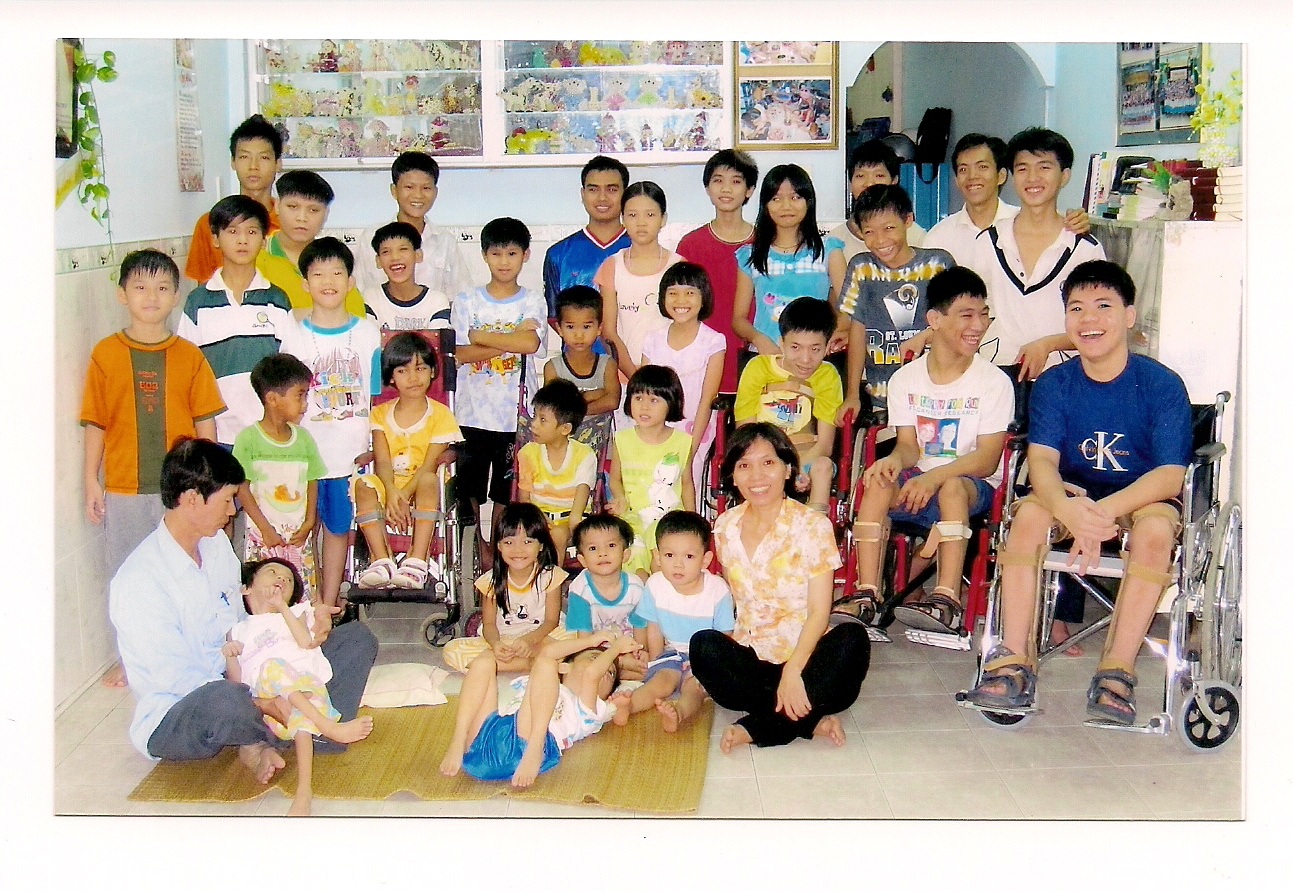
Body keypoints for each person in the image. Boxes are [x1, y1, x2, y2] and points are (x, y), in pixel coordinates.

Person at [962, 260, 1191, 726]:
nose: (1089, 319)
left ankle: (1116, 673)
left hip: (1140, 498)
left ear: (1129, 316)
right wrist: (1068, 510)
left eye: (1104, 306)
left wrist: (1099, 513)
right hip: (1069, 494)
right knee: (1027, 517)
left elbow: (1170, 476)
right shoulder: (1054, 384)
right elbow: (1042, 462)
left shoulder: (1162, 385)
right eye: (1077, 308)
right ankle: (1013, 662)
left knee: (1154, 534)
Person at [109, 438, 377, 785]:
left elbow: (245, 625)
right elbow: (174, 679)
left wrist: (305, 633)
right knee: (226, 698)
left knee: (357, 640)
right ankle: (283, 729)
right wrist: (262, 700)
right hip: (185, 707)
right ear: (192, 499)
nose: (232, 511)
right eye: (226, 500)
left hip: (246, 676)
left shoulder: (216, 545)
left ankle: (282, 730)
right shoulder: (139, 581)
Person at [837, 266, 1014, 634]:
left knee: (952, 488)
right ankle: (867, 594)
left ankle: (946, 599)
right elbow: (908, 447)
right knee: (878, 482)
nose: (978, 325)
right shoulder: (906, 378)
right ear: (934, 320)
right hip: (919, 479)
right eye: (966, 315)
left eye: (983, 315)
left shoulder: (994, 382)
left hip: (971, 486)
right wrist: (891, 461)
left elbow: (986, 460)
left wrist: (934, 478)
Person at [81, 249, 226, 687]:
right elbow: (95, 423)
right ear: (122, 294)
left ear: (175, 296)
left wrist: (209, 483)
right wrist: (90, 480)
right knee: (127, 575)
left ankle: (193, 650)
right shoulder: (106, 353)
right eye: (140, 287)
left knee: (183, 569)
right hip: (124, 486)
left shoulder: (189, 355)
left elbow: (205, 424)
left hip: (182, 494)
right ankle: (132, 660)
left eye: (163, 288)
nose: (151, 296)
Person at [691, 423, 870, 750]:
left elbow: (819, 612)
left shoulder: (812, 526)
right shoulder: (726, 526)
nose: (756, 476)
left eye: (768, 463)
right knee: (703, 645)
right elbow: (738, 603)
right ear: (733, 476)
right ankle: (808, 720)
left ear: (788, 469)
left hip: (807, 661)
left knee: (852, 639)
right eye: (744, 465)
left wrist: (792, 673)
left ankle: (761, 726)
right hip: (755, 664)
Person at [223, 558, 374, 815]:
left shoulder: (297, 613)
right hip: (270, 708)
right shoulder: (238, 631)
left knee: (301, 713)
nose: (281, 579)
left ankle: (303, 792)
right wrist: (230, 656)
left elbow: (305, 641)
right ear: (246, 589)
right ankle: (327, 728)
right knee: (273, 666)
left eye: (289, 580)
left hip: (303, 694)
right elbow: (238, 685)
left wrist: (284, 608)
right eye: (272, 572)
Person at [278, 237, 382, 606]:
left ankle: (329, 601)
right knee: (303, 529)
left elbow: (376, 395)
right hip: (304, 455)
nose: (328, 281)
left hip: (350, 455)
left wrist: (374, 446)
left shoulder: (368, 331)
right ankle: (305, 603)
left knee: (338, 529)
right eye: (318, 274)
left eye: (337, 273)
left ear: (350, 281)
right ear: (304, 283)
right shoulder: (293, 335)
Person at [973, 128, 1105, 383]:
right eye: (1022, 168)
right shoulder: (988, 242)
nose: (1032, 177)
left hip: (1064, 379)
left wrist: (1047, 344)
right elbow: (973, 311)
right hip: (997, 378)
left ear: (1064, 176)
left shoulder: (1085, 248)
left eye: (1044, 167)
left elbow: (1099, 324)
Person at [439, 630, 644, 788]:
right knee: (484, 661)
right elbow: (548, 653)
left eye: (611, 673)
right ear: (565, 667)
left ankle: (534, 748)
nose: (604, 670)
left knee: (545, 664)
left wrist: (615, 650)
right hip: (488, 738)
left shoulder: (589, 706)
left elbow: (592, 674)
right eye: (593, 658)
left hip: (530, 741)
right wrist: (591, 642)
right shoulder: (546, 680)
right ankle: (459, 739)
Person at [451, 216, 546, 550]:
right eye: (496, 254)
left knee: (507, 492)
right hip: (470, 415)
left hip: (514, 418)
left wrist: (481, 336)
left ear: (525, 255)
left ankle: (499, 549)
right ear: (484, 255)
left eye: (512, 253)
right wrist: (510, 340)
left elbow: (530, 344)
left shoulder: (533, 299)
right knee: (469, 489)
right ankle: (479, 550)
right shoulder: (466, 301)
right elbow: (460, 353)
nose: (504, 262)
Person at [177, 195, 292, 447]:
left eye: (252, 231)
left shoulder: (277, 300)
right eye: (232, 231)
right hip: (216, 435)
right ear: (215, 239)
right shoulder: (198, 303)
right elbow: (186, 371)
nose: (242, 240)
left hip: (269, 435)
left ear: (264, 240)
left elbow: (290, 369)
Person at [352, 332, 462, 589]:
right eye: (403, 371)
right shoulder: (379, 414)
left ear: (432, 372)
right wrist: (392, 493)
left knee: (428, 478)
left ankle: (416, 561)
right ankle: (381, 560)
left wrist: (402, 495)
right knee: (363, 485)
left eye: (420, 368)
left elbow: (430, 463)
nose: (413, 377)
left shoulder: (441, 415)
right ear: (391, 377)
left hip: (426, 485)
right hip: (389, 482)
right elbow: (382, 461)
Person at [609, 510, 735, 732]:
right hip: (671, 652)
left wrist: (711, 666)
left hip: (703, 657)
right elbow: (654, 626)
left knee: (693, 688)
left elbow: (725, 636)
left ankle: (679, 713)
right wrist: (655, 659)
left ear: (705, 560)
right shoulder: (656, 585)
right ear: (657, 557)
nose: (678, 565)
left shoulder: (717, 590)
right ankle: (629, 706)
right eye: (669, 555)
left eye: (689, 557)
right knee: (660, 682)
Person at [837, 184, 955, 418]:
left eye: (889, 228)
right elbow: (857, 330)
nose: (880, 240)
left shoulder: (937, 264)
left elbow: (956, 321)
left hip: (936, 395)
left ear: (908, 220)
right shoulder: (861, 267)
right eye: (869, 232)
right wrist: (852, 395)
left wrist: (924, 336)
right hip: (883, 398)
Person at [734, 296, 843, 512]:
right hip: (762, 455)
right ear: (781, 342)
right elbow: (745, 433)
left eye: (815, 349)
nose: (805, 359)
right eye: (795, 347)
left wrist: (798, 467)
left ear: (827, 347)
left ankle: (815, 525)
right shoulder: (758, 368)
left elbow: (825, 444)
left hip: (808, 455)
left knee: (823, 467)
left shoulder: (827, 375)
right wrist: (779, 467)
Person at [924, 133, 1090, 274]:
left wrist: (1076, 221)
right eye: (963, 170)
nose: (972, 176)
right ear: (956, 181)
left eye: (982, 167)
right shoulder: (938, 237)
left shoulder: (1021, 223)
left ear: (1002, 176)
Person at [232, 353, 325, 598]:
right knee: (264, 595)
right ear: (272, 398)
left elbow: (312, 481)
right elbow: (241, 488)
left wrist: (309, 522)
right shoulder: (248, 439)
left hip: (298, 538)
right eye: (299, 395)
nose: (305, 404)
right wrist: (265, 529)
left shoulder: (304, 439)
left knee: (301, 594)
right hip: (263, 538)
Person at [732, 164, 848, 359]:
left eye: (795, 197)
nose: (786, 206)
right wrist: (759, 339)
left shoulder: (828, 250)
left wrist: (830, 336)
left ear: (808, 201)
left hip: (813, 360)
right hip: (767, 358)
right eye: (776, 199)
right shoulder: (750, 256)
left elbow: (850, 308)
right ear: (765, 205)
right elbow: (738, 319)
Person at [442, 502, 571, 673]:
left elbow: (551, 621)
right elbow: (488, 624)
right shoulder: (490, 581)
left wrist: (530, 640)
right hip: (505, 639)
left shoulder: (551, 576)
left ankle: (512, 663)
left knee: (574, 635)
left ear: (541, 546)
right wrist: (496, 644)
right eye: (509, 542)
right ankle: (532, 663)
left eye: (527, 542)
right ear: (499, 546)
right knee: (451, 650)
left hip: (540, 637)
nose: (518, 550)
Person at [676, 149, 759, 395]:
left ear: (749, 190)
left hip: (754, 355)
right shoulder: (690, 245)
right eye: (718, 180)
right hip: (702, 359)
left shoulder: (764, 243)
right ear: (707, 188)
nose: (726, 189)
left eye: (736, 181)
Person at [641, 261, 726, 492]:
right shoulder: (653, 340)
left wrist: (690, 451)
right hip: (654, 430)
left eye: (690, 293)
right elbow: (643, 393)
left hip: (694, 432)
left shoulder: (713, 341)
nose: (681, 301)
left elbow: (708, 399)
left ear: (703, 297)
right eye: (673, 293)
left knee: (686, 490)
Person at [608, 365, 696, 580]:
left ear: (671, 403)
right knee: (635, 561)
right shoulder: (622, 439)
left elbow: (686, 483)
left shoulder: (682, 441)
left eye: (654, 400)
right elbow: (614, 479)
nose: (644, 407)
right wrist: (620, 498)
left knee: (661, 561)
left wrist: (691, 519)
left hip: (668, 521)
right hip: (633, 518)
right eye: (638, 398)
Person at [352, 151, 471, 304]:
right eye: (409, 187)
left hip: (434, 319)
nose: (418, 195)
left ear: (435, 192)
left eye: (426, 188)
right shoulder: (370, 238)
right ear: (394, 190)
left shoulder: (445, 241)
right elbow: (357, 292)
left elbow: (463, 296)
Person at [595, 181, 683, 379]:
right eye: (633, 215)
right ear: (623, 219)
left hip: (670, 376)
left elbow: (686, 326)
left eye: (650, 215)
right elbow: (608, 332)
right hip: (625, 376)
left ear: (663, 219)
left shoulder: (678, 266)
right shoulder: (612, 266)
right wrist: (635, 377)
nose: (641, 223)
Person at [185, 114, 282, 285]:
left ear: (278, 163)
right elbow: (203, 291)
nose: (253, 166)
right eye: (244, 157)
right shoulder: (209, 224)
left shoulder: (288, 225)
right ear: (233, 162)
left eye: (264, 157)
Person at [255, 170, 366, 317]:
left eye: (313, 210)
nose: (302, 218)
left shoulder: (335, 262)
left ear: (326, 213)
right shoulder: (255, 258)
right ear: (277, 206)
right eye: (293, 207)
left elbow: (356, 317)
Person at [542, 155, 631, 325]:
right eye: (593, 189)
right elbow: (554, 317)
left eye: (612, 189)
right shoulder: (558, 254)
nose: (602, 198)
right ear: (583, 194)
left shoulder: (641, 249)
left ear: (625, 194)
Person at [516, 379, 597, 558]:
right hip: (538, 518)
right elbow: (525, 500)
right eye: (534, 416)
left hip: (571, 521)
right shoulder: (528, 453)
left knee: (558, 534)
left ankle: (552, 575)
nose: (533, 424)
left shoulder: (584, 455)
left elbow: (577, 510)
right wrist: (539, 521)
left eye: (542, 420)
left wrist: (579, 536)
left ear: (565, 428)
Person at [565, 513, 649, 679]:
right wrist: (617, 658)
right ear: (582, 559)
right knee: (582, 666)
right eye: (593, 548)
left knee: (648, 667)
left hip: (626, 644)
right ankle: (619, 667)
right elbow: (584, 642)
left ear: (625, 554)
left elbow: (640, 627)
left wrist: (640, 651)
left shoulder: (635, 587)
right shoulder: (580, 590)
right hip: (592, 647)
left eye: (611, 545)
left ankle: (620, 670)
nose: (602, 553)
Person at [544, 285, 620, 452]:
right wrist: (593, 395)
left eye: (586, 327)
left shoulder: (607, 364)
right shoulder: (553, 368)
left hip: (597, 448)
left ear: (599, 328)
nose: (579, 335)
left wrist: (574, 409)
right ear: (559, 329)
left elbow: (612, 401)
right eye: (570, 327)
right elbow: (555, 409)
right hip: (561, 450)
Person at [829, 139, 927, 262]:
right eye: (860, 176)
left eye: (879, 175)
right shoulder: (834, 241)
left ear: (894, 181)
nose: (869, 183)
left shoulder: (917, 236)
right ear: (850, 184)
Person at [360, 221, 452, 334]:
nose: (395, 257)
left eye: (403, 249)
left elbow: (435, 343)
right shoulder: (371, 298)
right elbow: (370, 341)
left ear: (418, 255)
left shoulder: (436, 301)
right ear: (378, 261)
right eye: (386, 252)